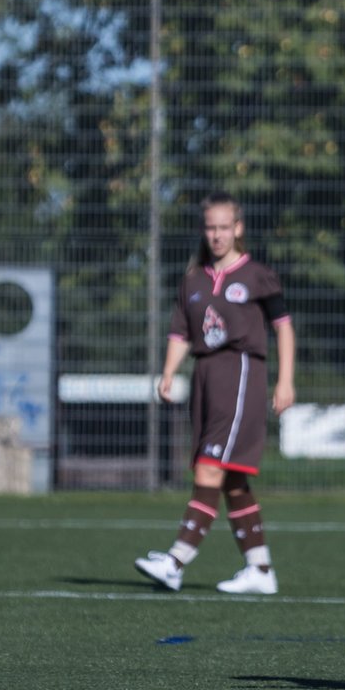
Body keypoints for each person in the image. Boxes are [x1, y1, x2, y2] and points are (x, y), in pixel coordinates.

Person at [134, 192, 296, 595]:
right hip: (205, 376)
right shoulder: (192, 278)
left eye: (225, 227)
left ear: (238, 228)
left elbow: (283, 327)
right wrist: (169, 371)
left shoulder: (256, 274)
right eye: (211, 227)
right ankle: (260, 569)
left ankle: (175, 561)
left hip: (240, 372)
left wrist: (286, 379)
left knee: (210, 468)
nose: (217, 235)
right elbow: (181, 332)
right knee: (232, 480)